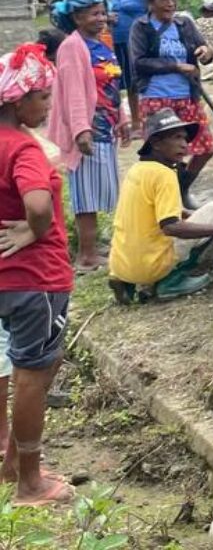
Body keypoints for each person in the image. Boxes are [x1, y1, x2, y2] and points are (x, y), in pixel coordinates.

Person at [0, 43, 76, 505]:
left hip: (6, 283)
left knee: (22, 366)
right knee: (34, 373)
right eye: (42, 97)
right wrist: (33, 231)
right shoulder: (23, 148)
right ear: (16, 101)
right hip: (35, 280)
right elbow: (38, 203)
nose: (47, 106)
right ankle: (30, 481)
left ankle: (11, 460)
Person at [107, 108, 213, 304]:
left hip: (120, 265)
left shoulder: (136, 169)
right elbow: (170, 227)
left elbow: (147, 210)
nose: (184, 145)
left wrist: (186, 213)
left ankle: (126, 281)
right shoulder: (164, 174)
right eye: (177, 138)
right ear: (156, 143)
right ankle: (170, 281)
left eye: (185, 139)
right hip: (150, 265)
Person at [47, 0, 128, 272]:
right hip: (88, 131)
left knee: (100, 189)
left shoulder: (101, 44)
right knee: (86, 195)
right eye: (94, 13)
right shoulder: (72, 46)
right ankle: (86, 256)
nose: (101, 18)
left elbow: (112, 84)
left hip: (104, 127)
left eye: (103, 12)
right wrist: (81, 130)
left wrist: (122, 119)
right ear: (78, 17)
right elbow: (72, 92)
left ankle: (93, 247)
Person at [129, 0, 213, 209]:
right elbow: (139, 63)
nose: (171, 3)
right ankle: (159, 199)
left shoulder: (184, 24)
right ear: (151, 3)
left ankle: (182, 187)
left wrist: (206, 52)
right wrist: (175, 66)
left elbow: (205, 51)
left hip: (187, 96)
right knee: (162, 153)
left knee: (207, 147)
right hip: (157, 98)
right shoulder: (142, 28)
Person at [109, 0, 147, 133]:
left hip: (138, 41)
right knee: (127, 82)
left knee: (140, 80)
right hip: (119, 40)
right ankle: (135, 121)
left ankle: (146, 118)